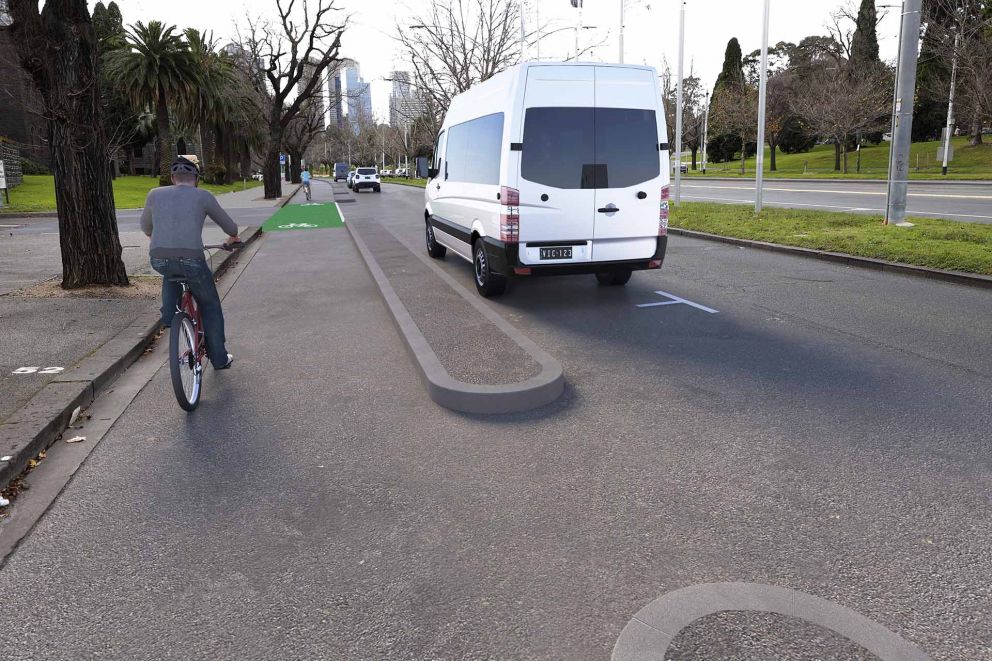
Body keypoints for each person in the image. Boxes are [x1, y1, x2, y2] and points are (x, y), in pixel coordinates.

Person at [140, 157, 241, 370]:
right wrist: (231, 239)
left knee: (171, 269)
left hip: (159, 258)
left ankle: (170, 315)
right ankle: (220, 359)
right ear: (196, 179)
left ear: (171, 178)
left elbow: (146, 227)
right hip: (192, 259)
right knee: (210, 305)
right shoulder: (203, 196)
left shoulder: (154, 194)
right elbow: (231, 227)